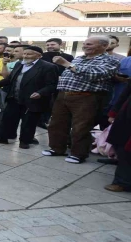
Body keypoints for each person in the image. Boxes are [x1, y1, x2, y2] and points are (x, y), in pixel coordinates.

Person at [42, 36, 121, 164]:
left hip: (87, 96)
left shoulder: (111, 60)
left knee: (81, 126)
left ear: (103, 46)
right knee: (57, 124)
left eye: (89, 44)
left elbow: (95, 74)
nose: (85, 46)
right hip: (64, 94)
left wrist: (67, 64)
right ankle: (57, 148)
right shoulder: (79, 58)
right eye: (84, 44)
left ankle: (78, 154)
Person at [0, 46, 58, 149]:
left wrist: (40, 93)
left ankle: (25, 141)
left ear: (39, 56)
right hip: (14, 96)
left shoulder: (48, 67)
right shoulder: (19, 64)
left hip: (32, 99)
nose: (25, 56)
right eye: (24, 54)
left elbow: (52, 85)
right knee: (7, 119)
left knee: (28, 122)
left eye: (29, 54)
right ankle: (3, 137)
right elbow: (10, 79)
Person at [104, 83, 131, 192]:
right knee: (121, 147)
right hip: (126, 117)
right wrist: (113, 112)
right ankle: (122, 181)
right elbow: (124, 94)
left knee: (127, 151)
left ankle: (122, 182)